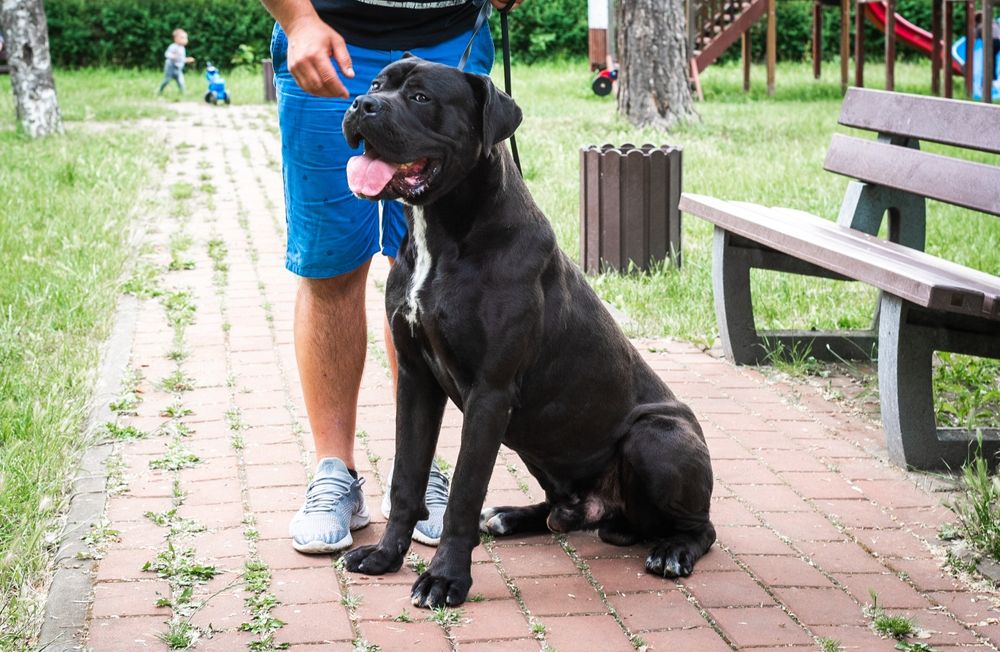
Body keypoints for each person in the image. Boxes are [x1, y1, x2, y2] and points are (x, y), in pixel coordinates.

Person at [259, 0, 521, 554]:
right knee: (329, 265)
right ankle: (335, 472)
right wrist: (297, 20)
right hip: (326, 35)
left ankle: (419, 474)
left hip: (453, 40)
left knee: (436, 266)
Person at [158, 29, 195, 95]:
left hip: (178, 69)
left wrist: (187, 60)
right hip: (170, 67)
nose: (185, 39)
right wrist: (173, 56)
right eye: (182, 38)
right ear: (176, 39)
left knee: (181, 81)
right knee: (167, 80)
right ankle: (160, 91)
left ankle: (183, 93)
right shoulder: (173, 46)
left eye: (186, 38)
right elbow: (167, 54)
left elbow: (181, 59)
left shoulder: (182, 48)